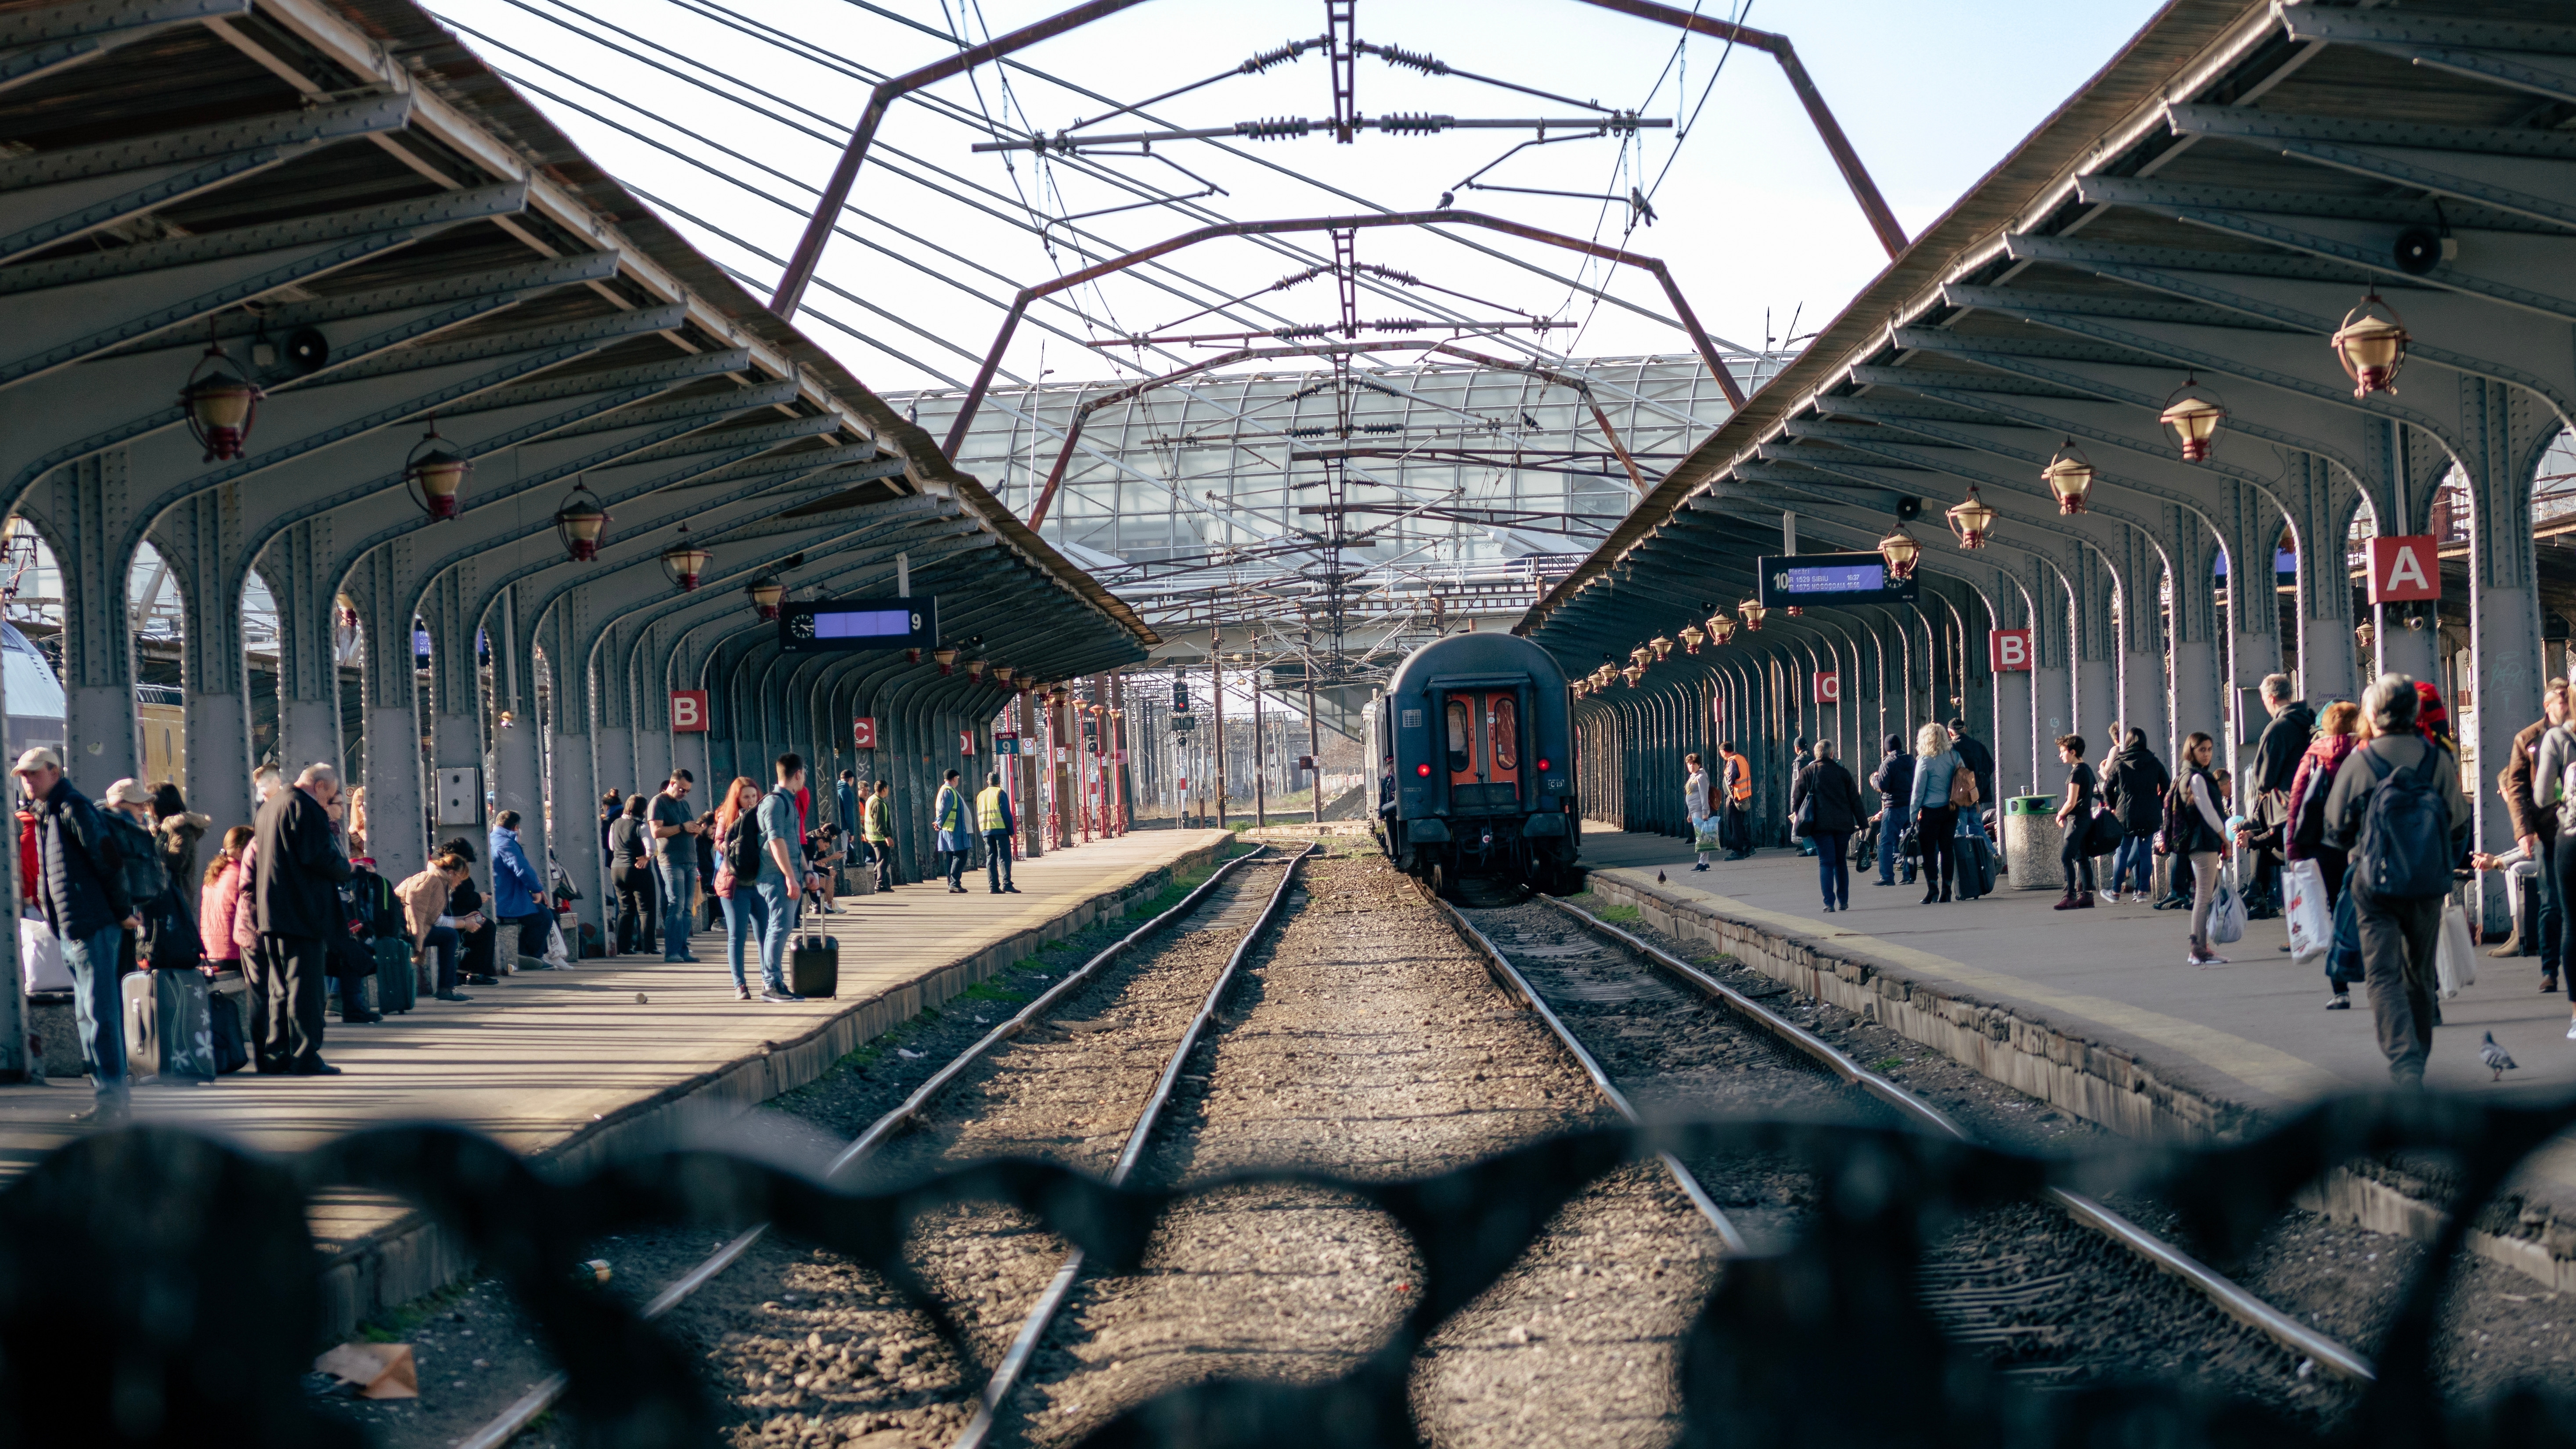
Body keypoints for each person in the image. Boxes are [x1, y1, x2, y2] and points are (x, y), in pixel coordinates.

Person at [2329, 676, 2473, 1085]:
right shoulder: (2436, 761)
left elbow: (2335, 827)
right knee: (2420, 975)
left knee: (2382, 974)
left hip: (2373, 883)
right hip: (2427, 884)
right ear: (2414, 714)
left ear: (2371, 716)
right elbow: (2459, 826)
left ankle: (2404, 1061)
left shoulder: (2361, 761)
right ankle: (2418, 1059)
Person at [18, 749, 135, 1119]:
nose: (28, 780)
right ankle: (105, 1097)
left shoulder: (71, 807)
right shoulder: (48, 813)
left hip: (91, 924)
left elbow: (107, 859)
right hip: (73, 928)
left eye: (35, 773)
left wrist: (121, 913)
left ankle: (113, 1100)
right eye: (23, 774)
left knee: (100, 1013)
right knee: (88, 1016)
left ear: (55, 772)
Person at [250, 763, 352, 1076]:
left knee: (279, 989)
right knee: (305, 989)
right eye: (331, 794)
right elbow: (317, 856)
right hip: (301, 912)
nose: (328, 801)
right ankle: (306, 1056)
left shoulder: (271, 807)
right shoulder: (304, 808)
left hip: (271, 912)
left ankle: (277, 1054)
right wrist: (346, 868)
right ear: (319, 786)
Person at [2291, 701, 2363, 1006]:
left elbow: (2297, 803)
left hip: (2323, 846)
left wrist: (2293, 850)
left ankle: (2340, 989)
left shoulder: (2313, 756)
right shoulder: (2367, 753)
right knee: (2368, 911)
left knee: (2333, 911)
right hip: (2361, 844)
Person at [2493, 683, 2567, 973]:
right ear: (2548, 705)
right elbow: (2516, 786)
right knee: (2550, 901)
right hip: (2547, 831)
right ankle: (2549, 969)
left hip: (2571, 828)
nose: (2567, 703)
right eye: (2562, 699)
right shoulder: (2527, 738)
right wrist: (2523, 830)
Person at [2166, 734, 2233, 966]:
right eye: (2201, 750)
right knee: (2203, 896)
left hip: (2198, 842)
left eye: (2210, 749)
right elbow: (2210, 813)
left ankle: (2199, 949)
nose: (2207, 754)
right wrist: (2225, 839)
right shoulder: (2196, 778)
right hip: (2203, 841)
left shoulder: (2187, 775)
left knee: (2203, 896)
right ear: (2191, 751)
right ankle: (2199, 950)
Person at [753, 754, 808, 1003]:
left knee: (782, 927)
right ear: (798, 774)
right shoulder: (775, 804)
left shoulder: (788, 802)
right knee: (779, 927)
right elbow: (776, 842)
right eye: (804, 773)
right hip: (775, 877)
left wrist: (806, 872)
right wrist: (790, 877)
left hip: (788, 875)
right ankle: (771, 984)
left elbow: (794, 843)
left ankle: (776, 981)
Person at [709, 777, 767, 1002]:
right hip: (735, 885)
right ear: (737, 799)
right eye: (746, 797)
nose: (751, 801)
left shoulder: (763, 813)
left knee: (765, 935)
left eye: (754, 796)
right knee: (737, 935)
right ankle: (740, 985)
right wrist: (732, 844)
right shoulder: (726, 815)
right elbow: (719, 841)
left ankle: (768, 980)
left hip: (759, 884)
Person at [1792, 739, 1864, 912]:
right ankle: (1844, 901)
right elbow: (1855, 799)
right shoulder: (1843, 773)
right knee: (1840, 862)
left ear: (1817, 754)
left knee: (1825, 862)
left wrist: (1799, 817)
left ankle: (1828, 903)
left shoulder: (1808, 772)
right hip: (1843, 825)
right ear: (1832, 754)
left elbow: (1797, 800)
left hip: (1819, 826)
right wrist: (1863, 823)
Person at [2100, 728, 2169, 904]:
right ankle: (2142, 893)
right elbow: (2167, 787)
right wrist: (2158, 802)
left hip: (2126, 814)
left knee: (2122, 852)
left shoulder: (2120, 762)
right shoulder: (2154, 762)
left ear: (2128, 742)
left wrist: (2114, 806)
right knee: (2146, 853)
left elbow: (2107, 788)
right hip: (2149, 813)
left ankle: (2115, 892)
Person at [397, 849, 473, 1002]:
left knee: (448, 935)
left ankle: (447, 987)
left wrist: (464, 918)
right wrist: (465, 924)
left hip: (407, 927)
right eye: (460, 878)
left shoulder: (433, 879)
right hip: (407, 931)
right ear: (451, 873)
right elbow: (436, 921)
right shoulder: (434, 882)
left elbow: (433, 917)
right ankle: (446, 988)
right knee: (450, 936)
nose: (459, 884)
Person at [1907, 724, 1964, 905]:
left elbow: (1918, 792)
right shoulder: (1954, 756)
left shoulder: (1924, 761)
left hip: (1930, 811)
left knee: (1929, 851)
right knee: (1947, 849)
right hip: (1951, 809)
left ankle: (1932, 888)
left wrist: (1912, 816)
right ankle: (1946, 890)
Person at [487, 810, 550, 971]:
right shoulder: (507, 843)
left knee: (540, 914)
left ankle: (531, 955)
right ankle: (530, 956)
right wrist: (537, 890)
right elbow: (522, 869)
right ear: (516, 827)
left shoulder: (491, 839)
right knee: (544, 917)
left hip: (497, 897)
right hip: (508, 900)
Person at [650, 771, 702, 963]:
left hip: (690, 860)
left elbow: (687, 829)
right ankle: (671, 951)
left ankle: (683, 949)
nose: (684, 794)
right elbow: (656, 831)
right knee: (676, 905)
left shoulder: (685, 804)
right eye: (681, 789)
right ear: (672, 783)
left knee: (688, 907)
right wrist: (682, 827)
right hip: (671, 861)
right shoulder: (659, 802)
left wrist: (695, 830)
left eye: (688, 791)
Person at [2050, 735, 2100, 910]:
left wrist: (2060, 815)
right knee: (2082, 857)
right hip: (2086, 818)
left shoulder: (2077, 772)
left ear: (2073, 752)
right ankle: (2087, 896)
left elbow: (2071, 801)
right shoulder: (2087, 770)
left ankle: (2070, 896)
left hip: (2076, 820)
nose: (2061, 755)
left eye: (2063, 751)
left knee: (2066, 857)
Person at [198, 825, 254, 974]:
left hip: (210, 955)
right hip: (234, 956)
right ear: (244, 850)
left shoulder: (215, 875)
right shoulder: (241, 876)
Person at [607, 794, 652, 955]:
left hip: (617, 869)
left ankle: (623, 947)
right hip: (636, 869)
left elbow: (612, 847)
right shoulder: (641, 826)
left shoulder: (615, 824)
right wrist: (646, 858)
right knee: (645, 909)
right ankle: (648, 946)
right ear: (643, 809)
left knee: (625, 910)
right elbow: (651, 848)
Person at [1870, 734, 1915, 888]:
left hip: (1894, 806)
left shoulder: (1888, 762)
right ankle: (1909, 875)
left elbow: (1883, 786)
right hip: (1911, 806)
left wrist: (1873, 779)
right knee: (1909, 841)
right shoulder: (1912, 761)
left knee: (1886, 842)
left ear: (1887, 748)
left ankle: (1887, 876)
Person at [1946, 718, 1996, 826]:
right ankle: (1984, 844)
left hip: (1958, 795)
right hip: (1976, 794)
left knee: (1959, 829)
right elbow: (1991, 766)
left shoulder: (1951, 748)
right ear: (1965, 730)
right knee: (1977, 829)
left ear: (1950, 732)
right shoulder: (1979, 746)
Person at [977, 771, 1020, 894]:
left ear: (988, 782)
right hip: (1000, 830)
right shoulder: (1000, 793)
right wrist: (1011, 831)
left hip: (986, 830)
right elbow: (1006, 814)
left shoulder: (981, 795)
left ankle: (993, 886)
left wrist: (982, 831)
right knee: (1004, 857)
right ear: (999, 781)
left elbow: (978, 815)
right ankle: (1006, 883)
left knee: (990, 858)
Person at [933, 769, 970, 893]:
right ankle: (954, 883)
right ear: (954, 779)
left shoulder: (945, 790)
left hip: (950, 829)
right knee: (961, 856)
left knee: (951, 856)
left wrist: (938, 823)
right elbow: (944, 810)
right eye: (958, 779)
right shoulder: (949, 791)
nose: (958, 781)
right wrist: (939, 823)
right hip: (954, 830)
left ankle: (951, 883)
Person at [1719, 741, 1752, 860]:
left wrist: (1728, 786)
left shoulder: (1732, 761)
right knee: (1739, 825)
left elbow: (1732, 778)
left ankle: (1738, 851)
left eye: (1721, 753)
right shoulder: (1741, 758)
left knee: (1734, 826)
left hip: (1735, 798)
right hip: (1743, 796)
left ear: (1724, 752)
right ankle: (1748, 846)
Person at [1683, 753, 1714, 872]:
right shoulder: (1692, 777)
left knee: (1702, 837)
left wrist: (1705, 812)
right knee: (1701, 836)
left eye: (1693, 764)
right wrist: (1690, 814)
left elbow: (1704, 795)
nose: (1691, 766)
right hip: (1694, 811)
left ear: (1698, 764)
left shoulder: (1701, 777)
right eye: (1689, 764)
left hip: (1700, 811)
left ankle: (1703, 862)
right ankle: (1704, 862)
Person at [864, 779, 897, 890]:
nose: (888, 791)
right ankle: (880, 883)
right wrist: (887, 836)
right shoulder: (878, 803)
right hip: (879, 838)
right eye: (887, 789)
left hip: (872, 837)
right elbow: (879, 823)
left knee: (882, 860)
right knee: (884, 860)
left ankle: (877, 880)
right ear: (884, 789)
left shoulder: (871, 800)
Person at [1789, 738, 1816, 857]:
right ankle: (1816, 846)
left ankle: (1810, 848)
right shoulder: (1814, 758)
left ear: (1797, 748)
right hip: (1814, 795)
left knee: (1803, 822)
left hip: (1803, 798)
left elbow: (1796, 784)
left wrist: (1794, 802)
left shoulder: (1799, 762)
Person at [836, 769, 860, 840]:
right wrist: (852, 833)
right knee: (844, 851)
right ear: (851, 779)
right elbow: (849, 814)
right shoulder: (847, 792)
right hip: (843, 829)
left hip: (834, 828)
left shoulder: (836, 790)